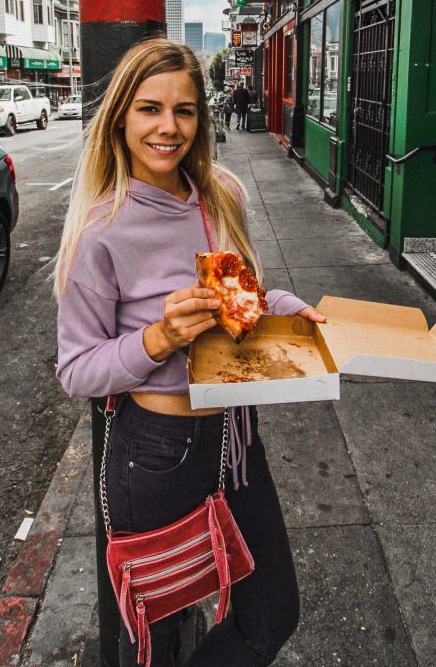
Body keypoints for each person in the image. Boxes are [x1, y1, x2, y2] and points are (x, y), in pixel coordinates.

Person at [54, 38, 325, 667]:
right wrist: (159, 339)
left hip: (236, 444)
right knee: (156, 640)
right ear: (121, 116)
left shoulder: (217, 195)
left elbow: (242, 300)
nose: (167, 128)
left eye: (185, 110)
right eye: (150, 108)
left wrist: (288, 307)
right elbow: (76, 370)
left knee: (270, 612)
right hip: (156, 455)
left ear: (202, 119)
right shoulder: (101, 229)